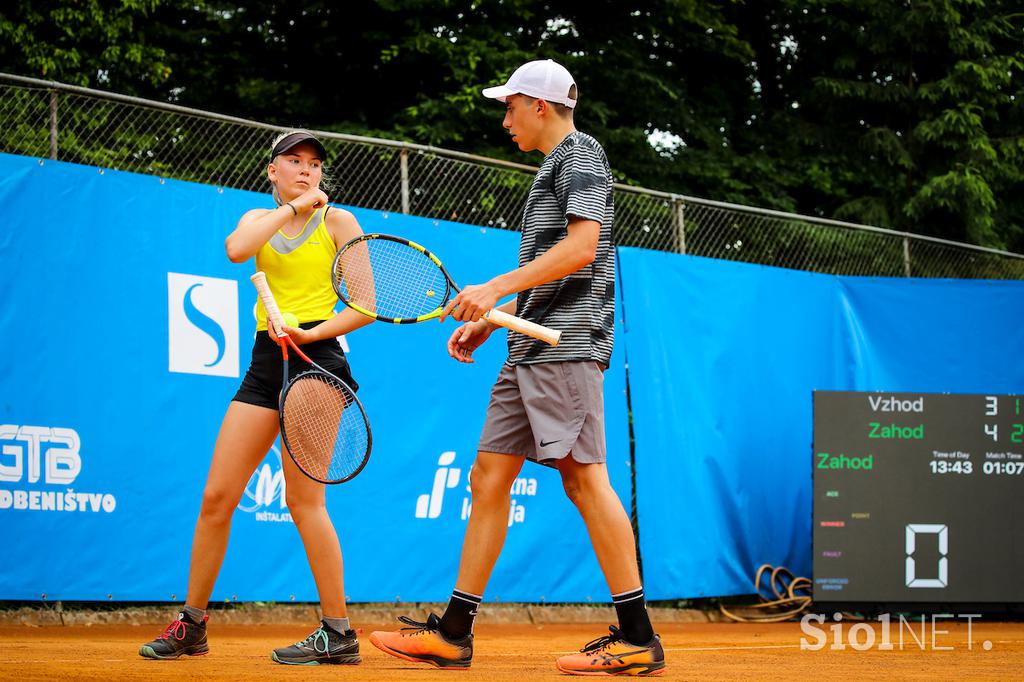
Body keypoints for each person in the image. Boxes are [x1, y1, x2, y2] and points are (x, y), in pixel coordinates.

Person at [368, 59, 665, 676]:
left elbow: (584, 249)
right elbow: (556, 264)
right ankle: (454, 632)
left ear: (539, 105)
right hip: (527, 345)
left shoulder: (581, 154)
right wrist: (492, 316)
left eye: (509, 106)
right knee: (487, 477)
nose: (504, 119)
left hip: (566, 346)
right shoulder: (550, 170)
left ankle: (638, 637)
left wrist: (497, 287)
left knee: (584, 479)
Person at [139, 130, 374, 665]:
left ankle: (337, 633)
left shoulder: (340, 223)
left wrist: (311, 332)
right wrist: (292, 207)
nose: (307, 170)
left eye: (314, 164)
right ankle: (192, 625)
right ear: (273, 170)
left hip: (317, 360)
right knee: (217, 497)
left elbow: (363, 305)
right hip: (265, 363)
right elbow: (236, 250)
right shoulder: (256, 221)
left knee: (304, 500)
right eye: (294, 161)